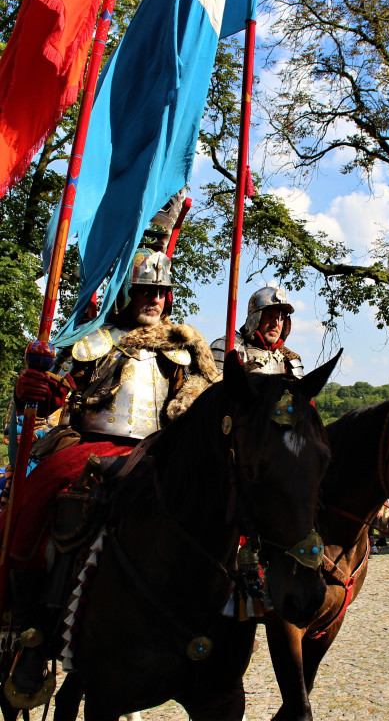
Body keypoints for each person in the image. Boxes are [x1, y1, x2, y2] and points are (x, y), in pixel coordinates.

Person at [6, 247, 218, 704]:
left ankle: (235, 601)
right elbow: (56, 397)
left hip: (157, 452)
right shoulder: (93, 340)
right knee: (36, 495)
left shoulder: (180, 353)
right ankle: (30, 633)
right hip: (90, 446)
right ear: (126, 291)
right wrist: (36, 391)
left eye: (161, 291)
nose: (154, 299)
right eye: (145, 289)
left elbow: (193, 413)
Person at [210, 286, 304, 377]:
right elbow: (213, 390)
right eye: (270, 316)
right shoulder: (228, 347)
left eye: (281, 318)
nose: (276, 323)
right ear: (256, 318)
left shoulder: (289, 359)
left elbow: (300, 392)